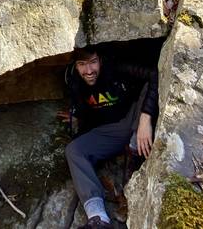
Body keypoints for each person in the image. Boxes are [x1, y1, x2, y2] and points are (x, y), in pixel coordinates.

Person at [61, 45, 158, 229]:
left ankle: (134, 148)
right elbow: (83, 103)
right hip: (108, 130)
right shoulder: (72, 78)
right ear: (75, 65)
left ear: (101, 59)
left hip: (132, 116)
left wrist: (146, 117)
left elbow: (154, 74)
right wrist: (77, 114)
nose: (89, 71)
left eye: (93, 62)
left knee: (146, 92)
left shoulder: (116, 67)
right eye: (82, 64)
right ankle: (98, 218)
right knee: (73, 150)